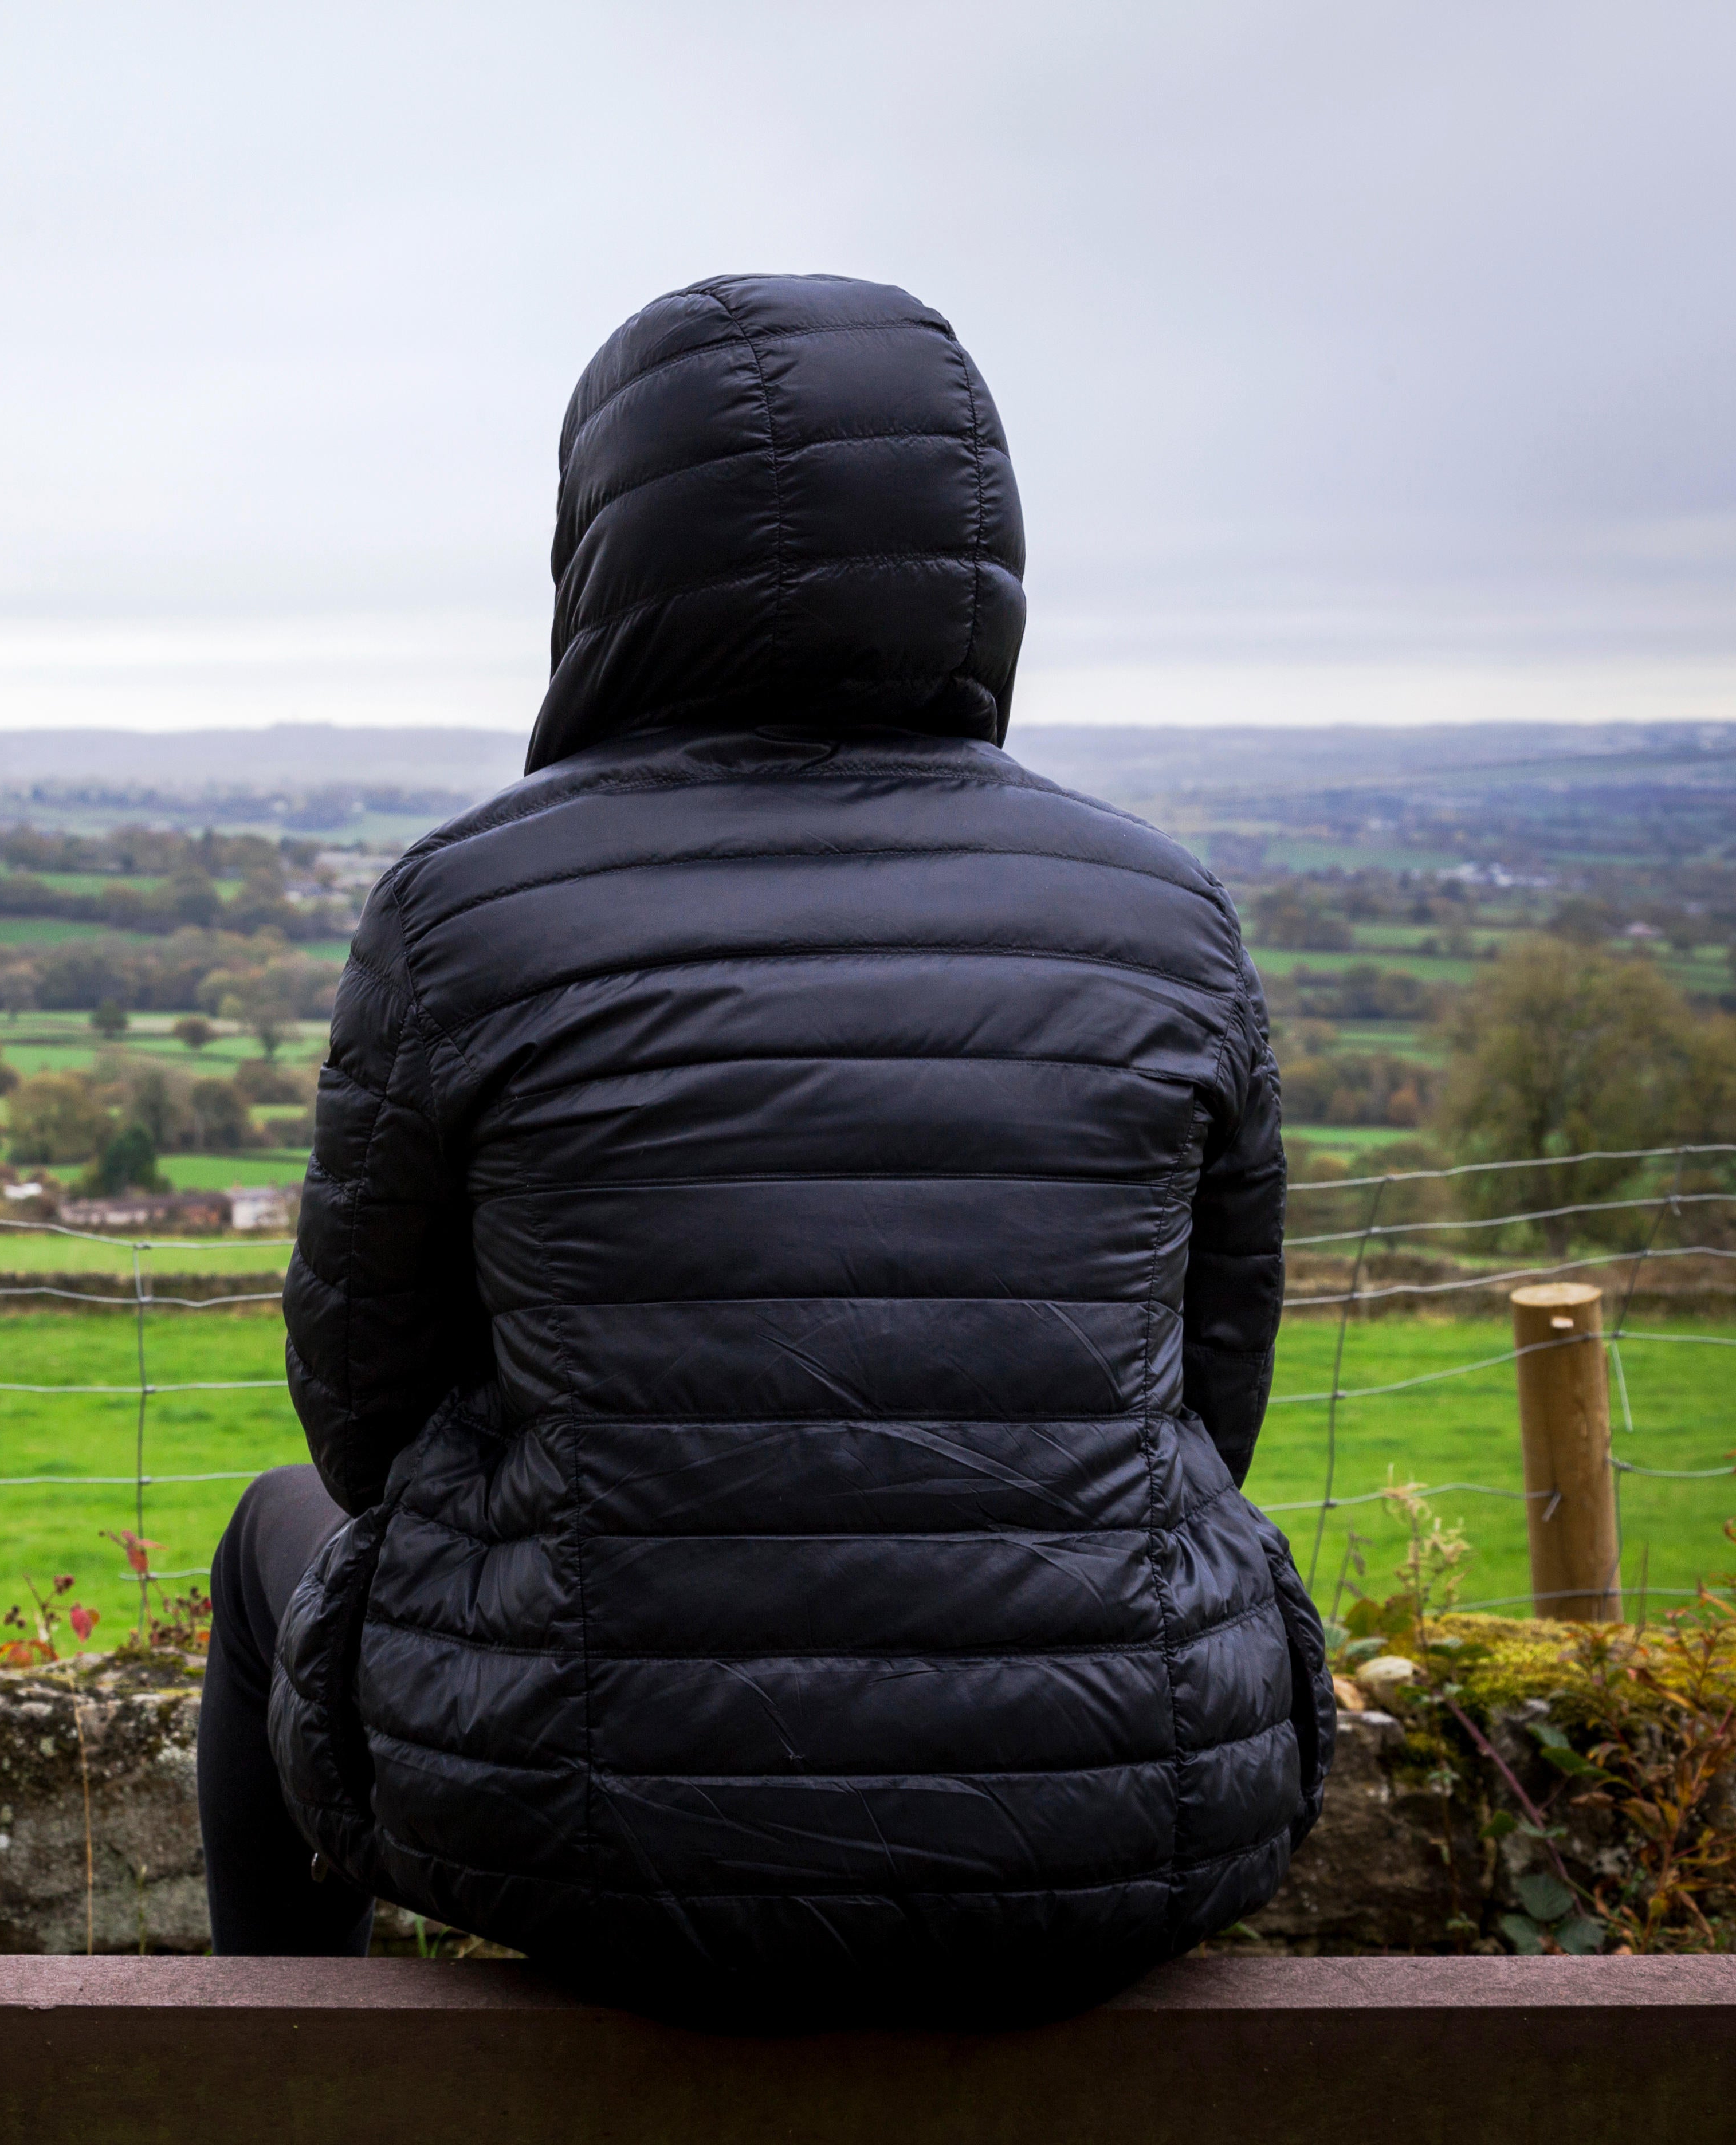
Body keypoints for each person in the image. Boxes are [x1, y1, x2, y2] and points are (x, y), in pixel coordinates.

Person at [195, 273, 1329, 2016]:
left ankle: (276, 2073)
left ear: (607, 551)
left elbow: (361, 1424)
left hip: (593, 1832)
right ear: (973, 545)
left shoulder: (464, 913)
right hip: (1115, 1823)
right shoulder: (1165, 916)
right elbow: (1214, 1411)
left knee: (266, 1540)